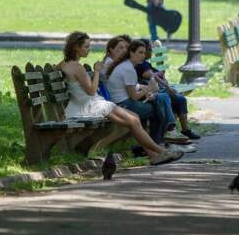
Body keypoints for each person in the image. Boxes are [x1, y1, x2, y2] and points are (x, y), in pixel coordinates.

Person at [59, 32, 182, 166]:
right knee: (133, 120)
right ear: (76, 47)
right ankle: (160, 151)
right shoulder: (78, 67)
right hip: (89, 105)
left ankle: (154, 155)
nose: (89, 50)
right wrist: (96, 71)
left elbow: (59, 70)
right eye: (86, 47)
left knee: (134, 117)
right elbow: (91, 90)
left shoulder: (64, 64)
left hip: (86, 103)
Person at [107, 40, 174, 149]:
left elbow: (134, 87)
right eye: (140, 52)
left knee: (159, 100)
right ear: (131, 53)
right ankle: (158, 142)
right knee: (156, 109)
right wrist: (149, 88)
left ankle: (158, 141)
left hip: (122, 102)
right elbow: (133, 96)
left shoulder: (127, 66)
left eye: (144, 52)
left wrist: (147, 91)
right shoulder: (128, 69)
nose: (143, 56)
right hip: (122, 104)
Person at [136, 39, 201, 141]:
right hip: (153, 91)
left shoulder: (144, 63)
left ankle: (182, 131)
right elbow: (151, 76)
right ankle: (172, 131)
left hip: (157, 89)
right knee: (178, 99)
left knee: (178, 98)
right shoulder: (142, 64)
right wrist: (166, 86)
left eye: (149, 50)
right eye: (149, 49)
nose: (150, 52)